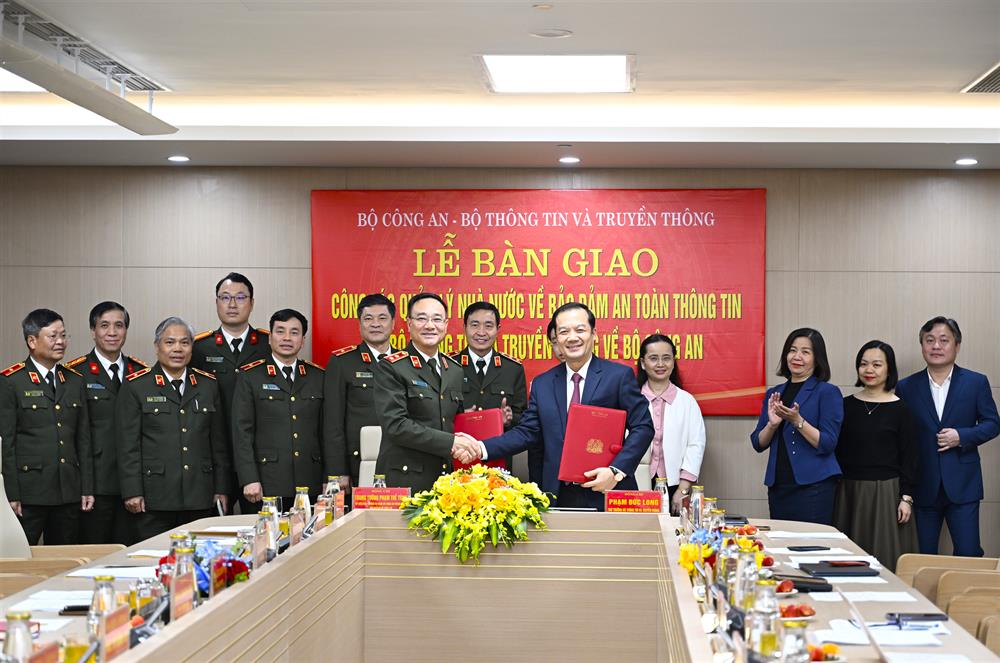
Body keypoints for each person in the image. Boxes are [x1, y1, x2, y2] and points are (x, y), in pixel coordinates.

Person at [460, 302, 654, 510]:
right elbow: (527, 432)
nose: (572, 337)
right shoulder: (543, 384)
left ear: (594, 334)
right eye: (564, 332)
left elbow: (643, 427)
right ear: (557, 339)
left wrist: (616, 471)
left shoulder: (618, 376)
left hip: (606, 489)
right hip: (558, 495)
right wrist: (480, 447)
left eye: (580, 330)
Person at [117, 317, 231, 540]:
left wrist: (221, 488)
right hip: (154, 497)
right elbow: (127, 446)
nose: (177, 349)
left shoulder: (208, 385)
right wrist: (132, 491)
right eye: (170, 342)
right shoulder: (137, 385)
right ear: (157, 346)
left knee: (199, 556)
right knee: (154, 555)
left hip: (200, 494)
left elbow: (218, 444)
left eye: (184, 343)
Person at [896, 317, 999, 556]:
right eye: (929, 340)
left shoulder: (976, 382)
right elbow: (901, 438)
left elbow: (993, 424)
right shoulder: (906, 387)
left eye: (944, 340)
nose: (936, 346)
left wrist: (961, 436)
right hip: (922, 485)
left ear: (957, 345)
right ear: (922, 345)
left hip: (963, 484)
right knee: (922, 556)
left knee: (969, 554)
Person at [0, 309, 93, 544]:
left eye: (63, 335)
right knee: (23, 557)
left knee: (64, 557)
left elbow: (83, 439)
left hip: (68, 491)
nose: (60, 342)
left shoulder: (74, 380)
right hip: (29, 493)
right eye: (53, 336)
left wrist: (86, 487)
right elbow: (7, 444)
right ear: (32, 341)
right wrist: (10, 494)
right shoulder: (12, 381)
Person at [232, 309, 329, 513]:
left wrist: (329, 478)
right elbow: (242, 432)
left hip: (310, 481)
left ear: (303, 340)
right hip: (266, 483)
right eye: (280, 331)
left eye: (294, 332)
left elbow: (326, 432)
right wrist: (249, 478)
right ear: (270, 338)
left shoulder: (318, 376)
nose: (287, 338)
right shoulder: (250, 376)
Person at [65, 301, 146, 545]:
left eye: (119, 326)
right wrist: (85, 486)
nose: (112, 332)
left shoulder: (141, 372)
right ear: (93, 331)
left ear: (126, 330)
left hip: (136, 482)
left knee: (131, 552)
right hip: (95, 483)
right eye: (104, 326)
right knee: (93, 550)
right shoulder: (75, 374)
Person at [833, 340, 919, 571]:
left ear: (889, 369)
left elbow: (910, 458)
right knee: (845, 560)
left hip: (885, 493)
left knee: (883, 558)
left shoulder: (903, 410)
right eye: (863, 364)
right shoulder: (844, 405)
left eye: (877, 365)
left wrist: (906, 498)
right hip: (848, 492)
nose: (869, 370)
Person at [373, 293, 472, 492]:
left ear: (445, 324)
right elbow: (396, 425)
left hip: (446, 480)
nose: (430, 326)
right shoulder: (391, 367)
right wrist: (452, 442)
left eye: (437, 319)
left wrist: (471, 435)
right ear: (409, 323)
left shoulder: (454, 370)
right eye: (421, 318)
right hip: (406, 479)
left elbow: (454, 420)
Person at [191, 272, 270, 512]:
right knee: (213, 527)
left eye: (240, 297)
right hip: (213, 457)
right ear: (216, 302)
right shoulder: (199, 348)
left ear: (252, 303)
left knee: (261, 526)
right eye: (225, 297)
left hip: (258, 458)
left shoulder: (269, 345)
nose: (232, 304)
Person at [750, 328, 843, 525]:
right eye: (792, 350)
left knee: (810, 542)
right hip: (779, 485)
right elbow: (758, 443)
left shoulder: (827, 392)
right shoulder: (774, 393)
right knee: (781, 540)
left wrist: (797, 421)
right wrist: (772, 425)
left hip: (814, 486)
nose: (797, 356)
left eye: (805, 352)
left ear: (817, 359)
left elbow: (828, 443)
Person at [323, 293, 398, 488]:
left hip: (400, 462)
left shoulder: (404, 361)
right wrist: (337, 471)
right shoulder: (343, 362)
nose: (375, 324)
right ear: (359, 324)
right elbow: (332, 422)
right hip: (357, 464)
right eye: (368, 318)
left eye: (382, 318)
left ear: (393, 323)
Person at [636, 333, 705, 514]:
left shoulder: (687, 401)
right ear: (643, 363)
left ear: (673, 362)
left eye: (666, 358)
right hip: (635, 482)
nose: (660, 364)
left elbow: (695, 446)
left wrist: (683, 489)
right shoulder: (631, 399)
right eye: (653, 358)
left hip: (675, 484)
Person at [452, 301, 527, 467]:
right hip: (456, 456)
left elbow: (524, 419)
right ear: (464, 328)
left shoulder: (512, 369)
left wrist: (509, 419)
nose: (481, 332)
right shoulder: (449, 365)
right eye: (474, 325)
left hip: (498, 460)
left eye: (488, 326)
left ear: (498, 330)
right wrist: (460, 418)